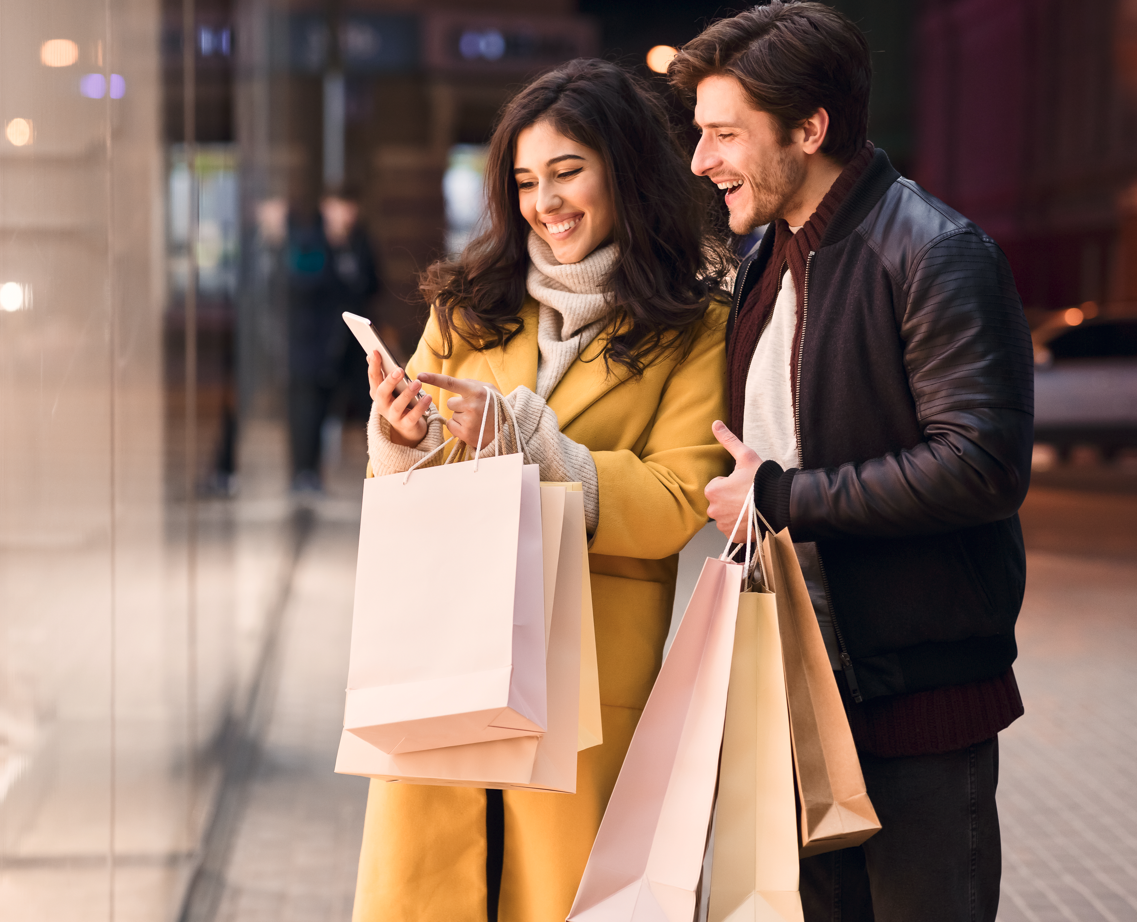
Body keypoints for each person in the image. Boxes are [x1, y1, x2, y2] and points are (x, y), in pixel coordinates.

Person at [669, 4, 1034, 921]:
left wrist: (781, 496)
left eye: (723, 134)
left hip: (915, 700)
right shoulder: (766, 260)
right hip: (798, 692)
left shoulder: (936, 252)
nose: (700, 160)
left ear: (808, 128)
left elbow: (980, 465)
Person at [352, 59, 732, 922]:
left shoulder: (696, 326)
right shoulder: (465, 306)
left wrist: (529, 441)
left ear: (625, 172)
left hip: (585, 675)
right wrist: (402, 441)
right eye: (525, 181)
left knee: (565, 896)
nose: (545, 202)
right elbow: (406, 491)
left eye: (567, 172)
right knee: (435, 889)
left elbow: (677, 499)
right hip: (446, 654)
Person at [286, 186, 379, 492]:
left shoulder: (360, 242)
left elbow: (372, 284)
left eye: (349, 207)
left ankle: (383, 465)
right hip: (316, 340)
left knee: (368, 403)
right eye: (338, 207)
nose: (345, 215)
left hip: (351, 342)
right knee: (311, 408)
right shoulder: (310, 241)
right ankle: (305, 472)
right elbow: (302, 284)